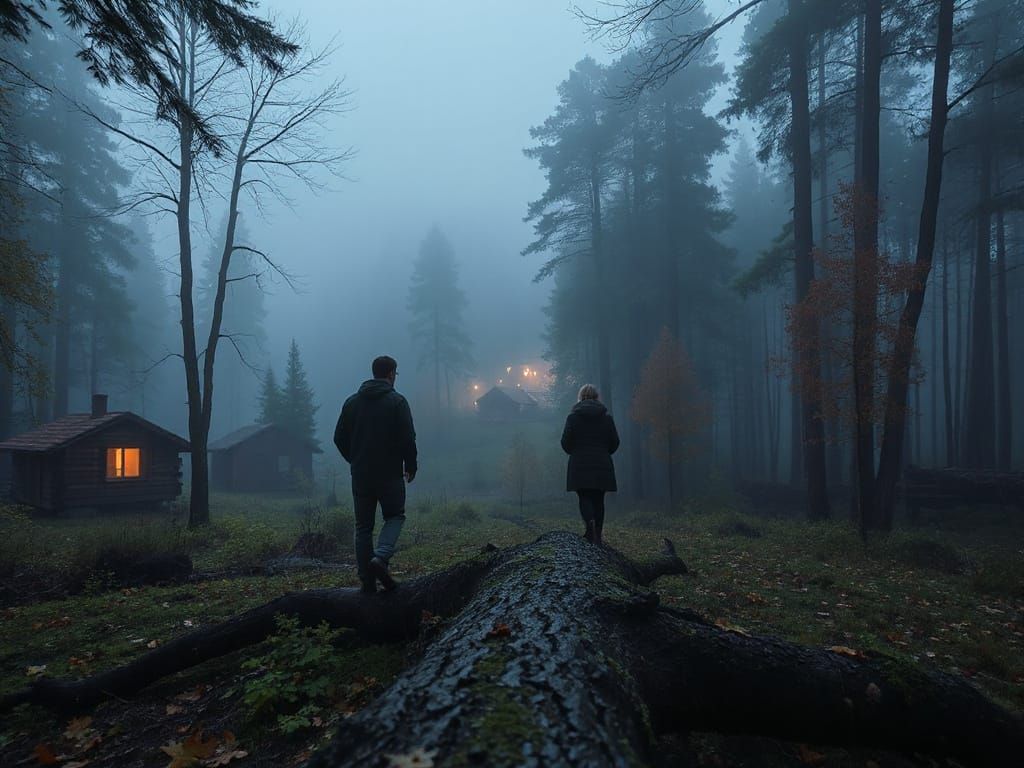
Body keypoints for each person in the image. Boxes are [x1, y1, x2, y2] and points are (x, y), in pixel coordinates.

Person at [334, 355, 417, 594]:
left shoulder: (351, 403)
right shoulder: (397, 402)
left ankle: (367, 583)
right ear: (390, 374)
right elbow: (408, 438)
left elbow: (339, 438)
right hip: (390, 474)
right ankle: (380, 557)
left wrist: (355, 459)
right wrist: (410, 465)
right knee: (395, 516)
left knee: (363, 527)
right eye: (395, 374)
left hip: (361, 476)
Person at [560, 384, 619, 546]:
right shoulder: (607, 418)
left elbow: (565, 442)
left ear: (580, 397)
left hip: (579, 465)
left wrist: (575, 452)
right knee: (599, 499)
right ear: (597, 397)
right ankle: (597, 535)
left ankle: (589, 525)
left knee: (584, 496)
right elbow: (615, 442)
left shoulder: (573, 418)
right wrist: (604, 452)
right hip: (602, 464)